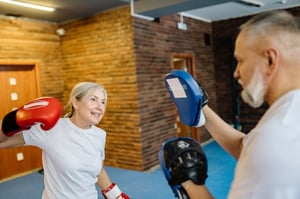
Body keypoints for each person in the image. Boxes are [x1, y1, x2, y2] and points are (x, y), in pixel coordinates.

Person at [162, 10, 300, 199]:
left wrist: (188, 181)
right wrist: (203, 108)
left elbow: (262, 150)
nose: (236, 73)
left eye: (240, 61)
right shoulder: (288, 119)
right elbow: (247, 147)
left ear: (270, 60)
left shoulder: (276, 138)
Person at [0, 82, 129, 199]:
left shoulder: (100, 135)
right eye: (93, 100)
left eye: (103, 102)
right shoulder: (52, 129)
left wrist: (115, 195)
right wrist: (14, 120)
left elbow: (97, 170)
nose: (100, 107)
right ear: (76, 103)